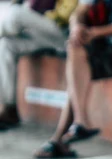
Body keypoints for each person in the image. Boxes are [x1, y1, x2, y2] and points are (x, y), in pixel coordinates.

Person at [34, 0, 112, 158]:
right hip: (109, 45)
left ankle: (61, 137)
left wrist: (92, 33)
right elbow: (79, 11)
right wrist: (76, 28)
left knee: (77, 72)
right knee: (75, 51)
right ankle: (76, 125)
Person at [0, 0, 77, 129]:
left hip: (64, 33)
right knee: (5, 45)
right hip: (44, 33)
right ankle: (9, 108)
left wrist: (37, 14)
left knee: (16, 14)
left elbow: (65, 16)